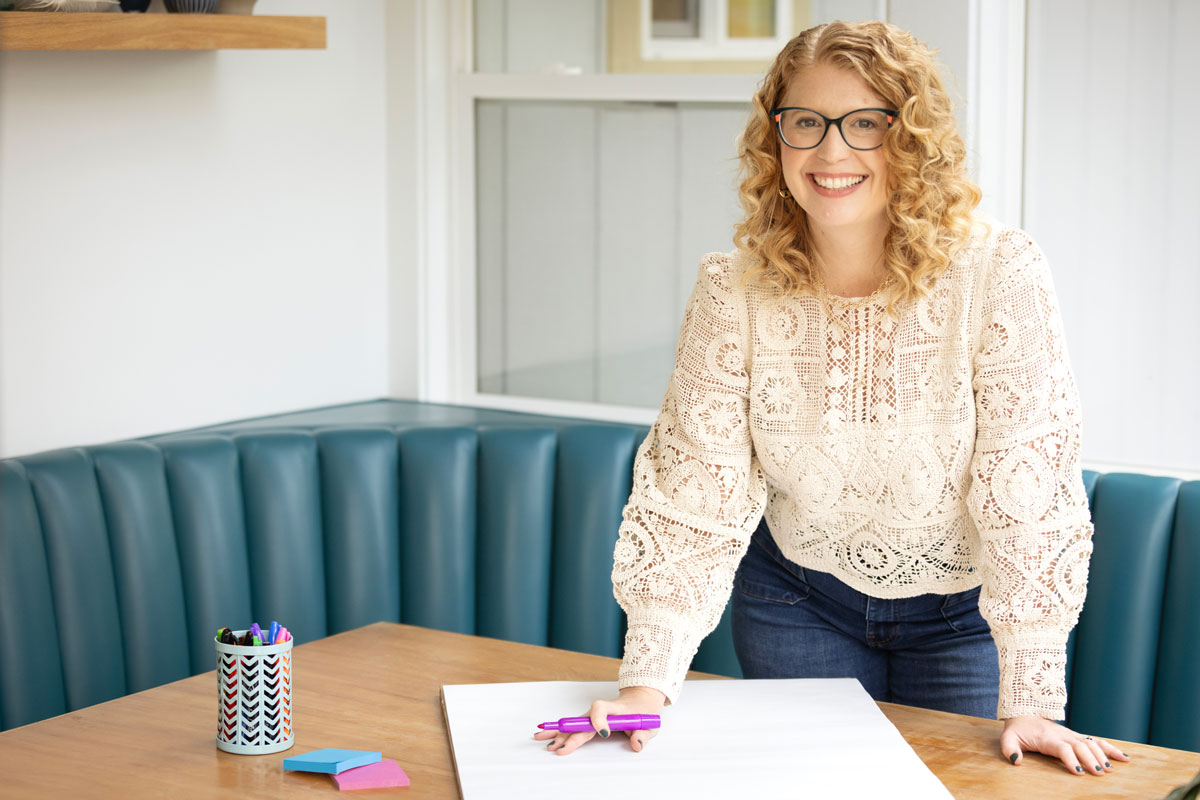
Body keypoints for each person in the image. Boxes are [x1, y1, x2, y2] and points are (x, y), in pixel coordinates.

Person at [533, 19, 1129, 776]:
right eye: (806, 123)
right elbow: (693, 492)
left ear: (910, 140)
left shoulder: (998, 273)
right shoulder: (733, 290)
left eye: (866, 125)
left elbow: (1028, 490)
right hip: (794, 604)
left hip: (960, 621)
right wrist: (646, 687)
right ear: (774, 139)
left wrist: (1033, 696)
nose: (831, 151)